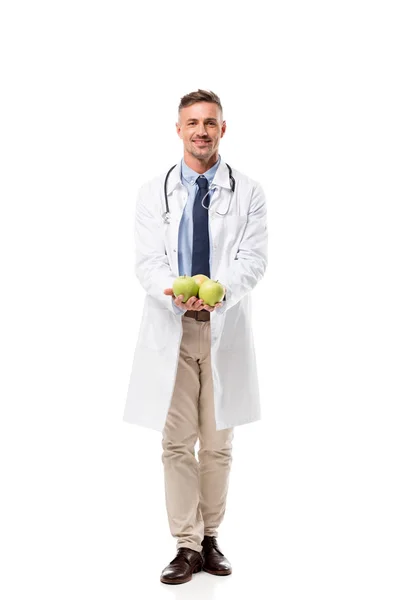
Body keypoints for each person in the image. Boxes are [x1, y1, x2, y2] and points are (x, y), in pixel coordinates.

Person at [123, 89, 268, 585]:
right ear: (179, 129)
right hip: (173, 329)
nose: (201, 131)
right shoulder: (152, 193)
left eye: (210, 122)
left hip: (223, 327)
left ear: (222, 129)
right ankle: (185, 544)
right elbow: (147, 262)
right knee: (176, 443)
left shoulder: (248, 192)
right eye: (193, 123)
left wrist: (221, 291)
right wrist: (173, 294)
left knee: (219, 443)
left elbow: (254, 260)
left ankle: (211, 539)